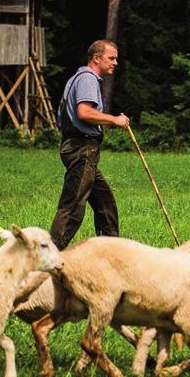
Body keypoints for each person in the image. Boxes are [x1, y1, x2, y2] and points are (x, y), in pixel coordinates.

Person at [50, 39, 130, 249]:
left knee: (105, 204)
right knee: (73, 206)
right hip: (82, 148)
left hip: (80, 148)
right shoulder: (88, 79)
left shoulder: (77, 78)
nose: (115, 63)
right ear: (97, 58)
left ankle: (112, 252)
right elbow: (84, 112)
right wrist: (114, 120)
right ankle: (48, 256)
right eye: (111, 58)